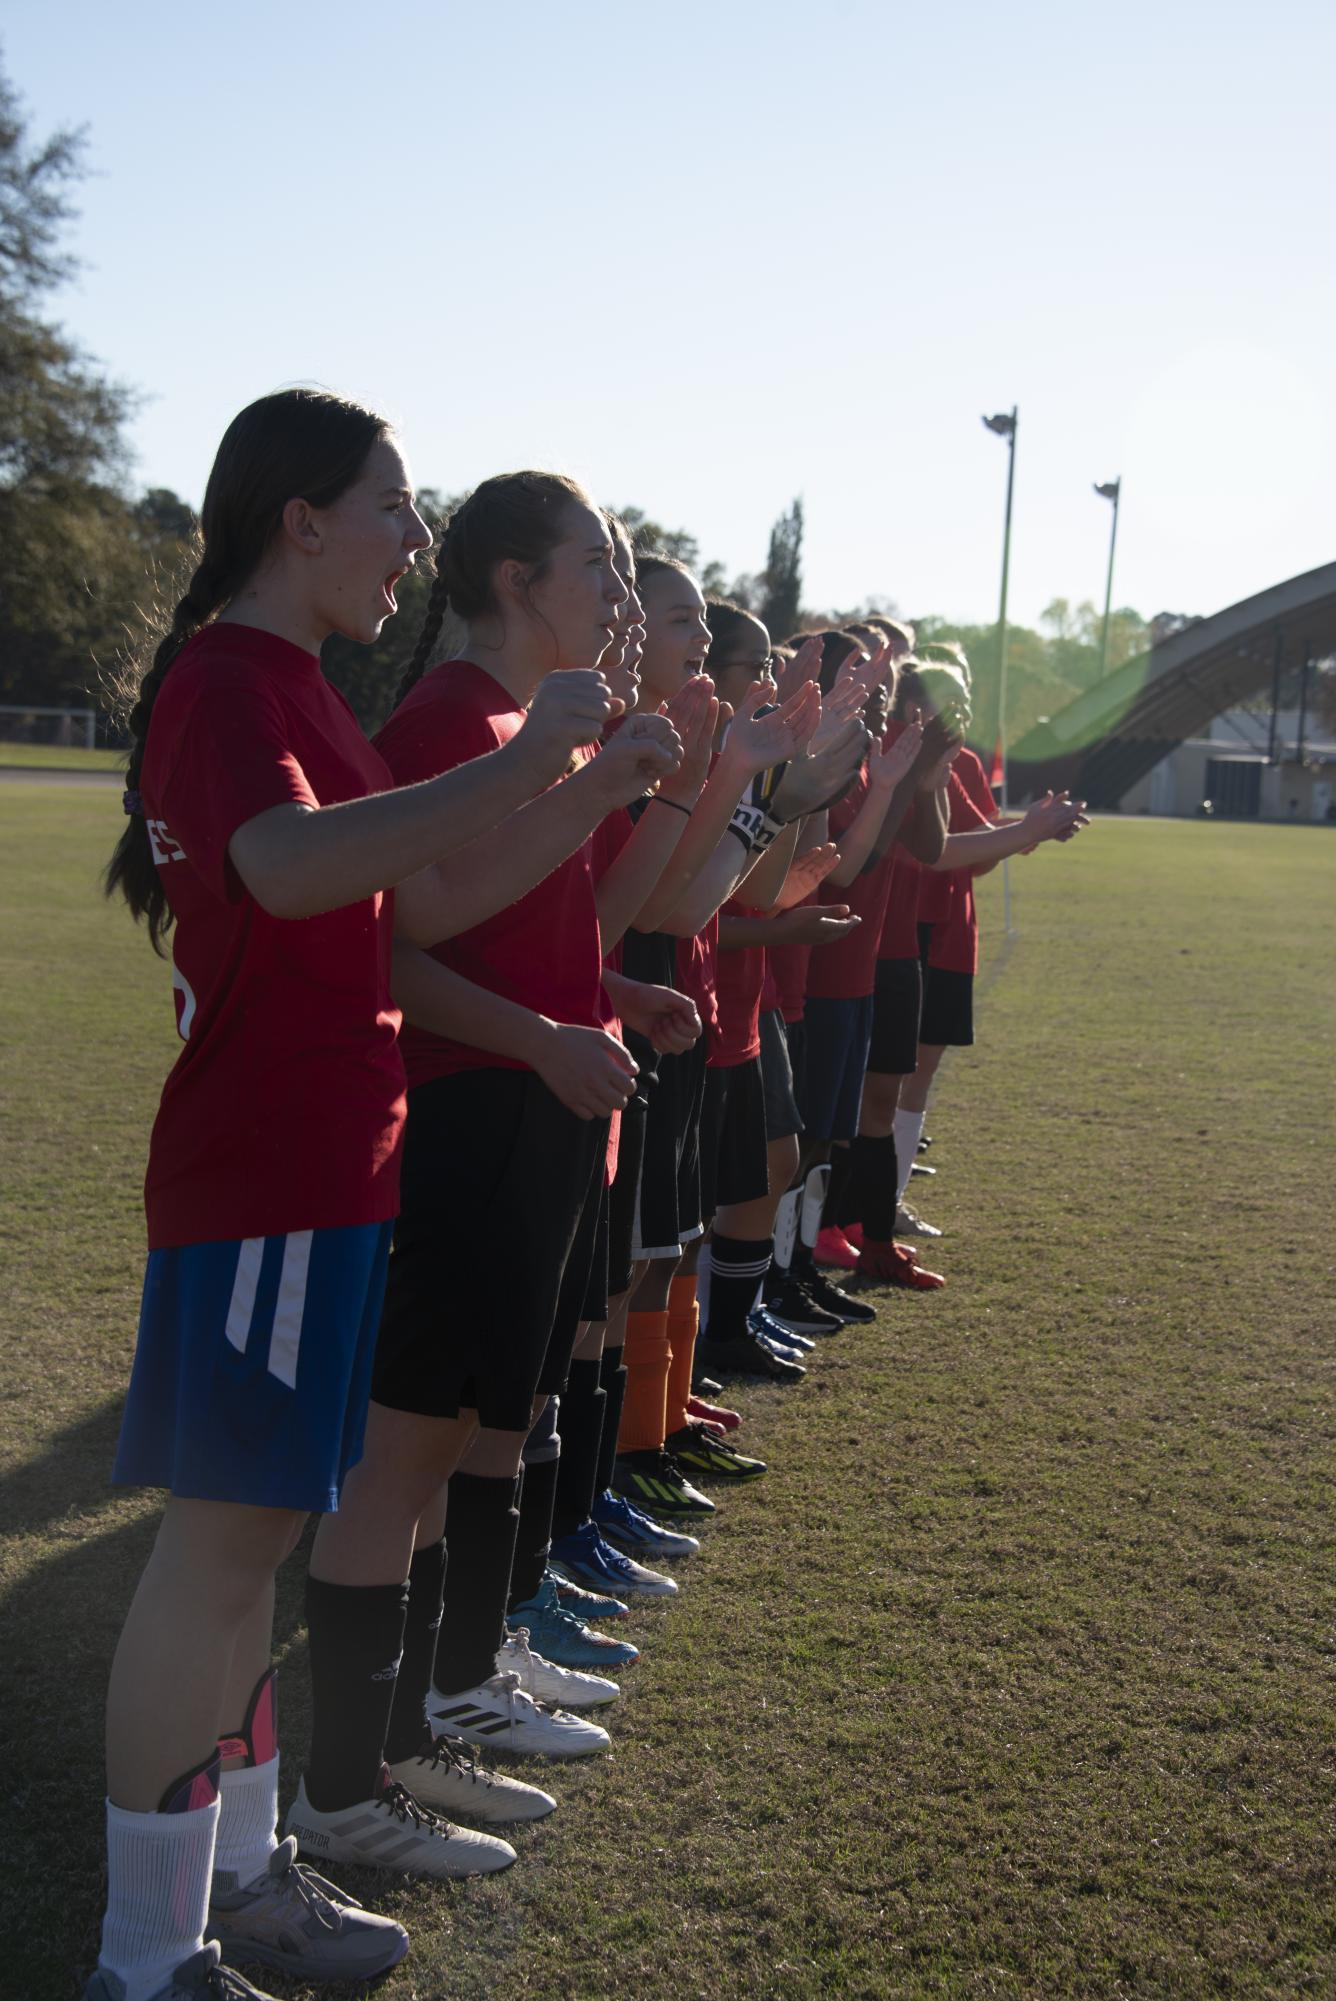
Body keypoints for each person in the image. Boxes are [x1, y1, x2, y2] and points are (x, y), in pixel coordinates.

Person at [93, 392, 618, 2000]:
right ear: (297, 518)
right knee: (217, 1552)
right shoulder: (233, 679)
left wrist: (569, 781)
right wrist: (532, 756)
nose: (412, 534)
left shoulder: (296, 684)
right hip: (266, 1170)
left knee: (249, 1553)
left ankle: (242, 1876)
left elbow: (419, 881)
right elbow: (291, 867)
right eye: (388, 506)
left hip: (328, 1166)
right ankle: (146, 1950)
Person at [284, 472, 692, 1851]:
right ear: (515, 581)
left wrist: (602, 1003)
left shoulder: (527, 722)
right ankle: (347, 1781)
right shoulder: (454, 718)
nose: (618, 599)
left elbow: (519, 916)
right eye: (597, 566)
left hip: (529, 1103)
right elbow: (400, 946)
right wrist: (539, 1035)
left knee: (453, 1438)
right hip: (465, 1114)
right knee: (396, 1461)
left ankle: (418, 1724)